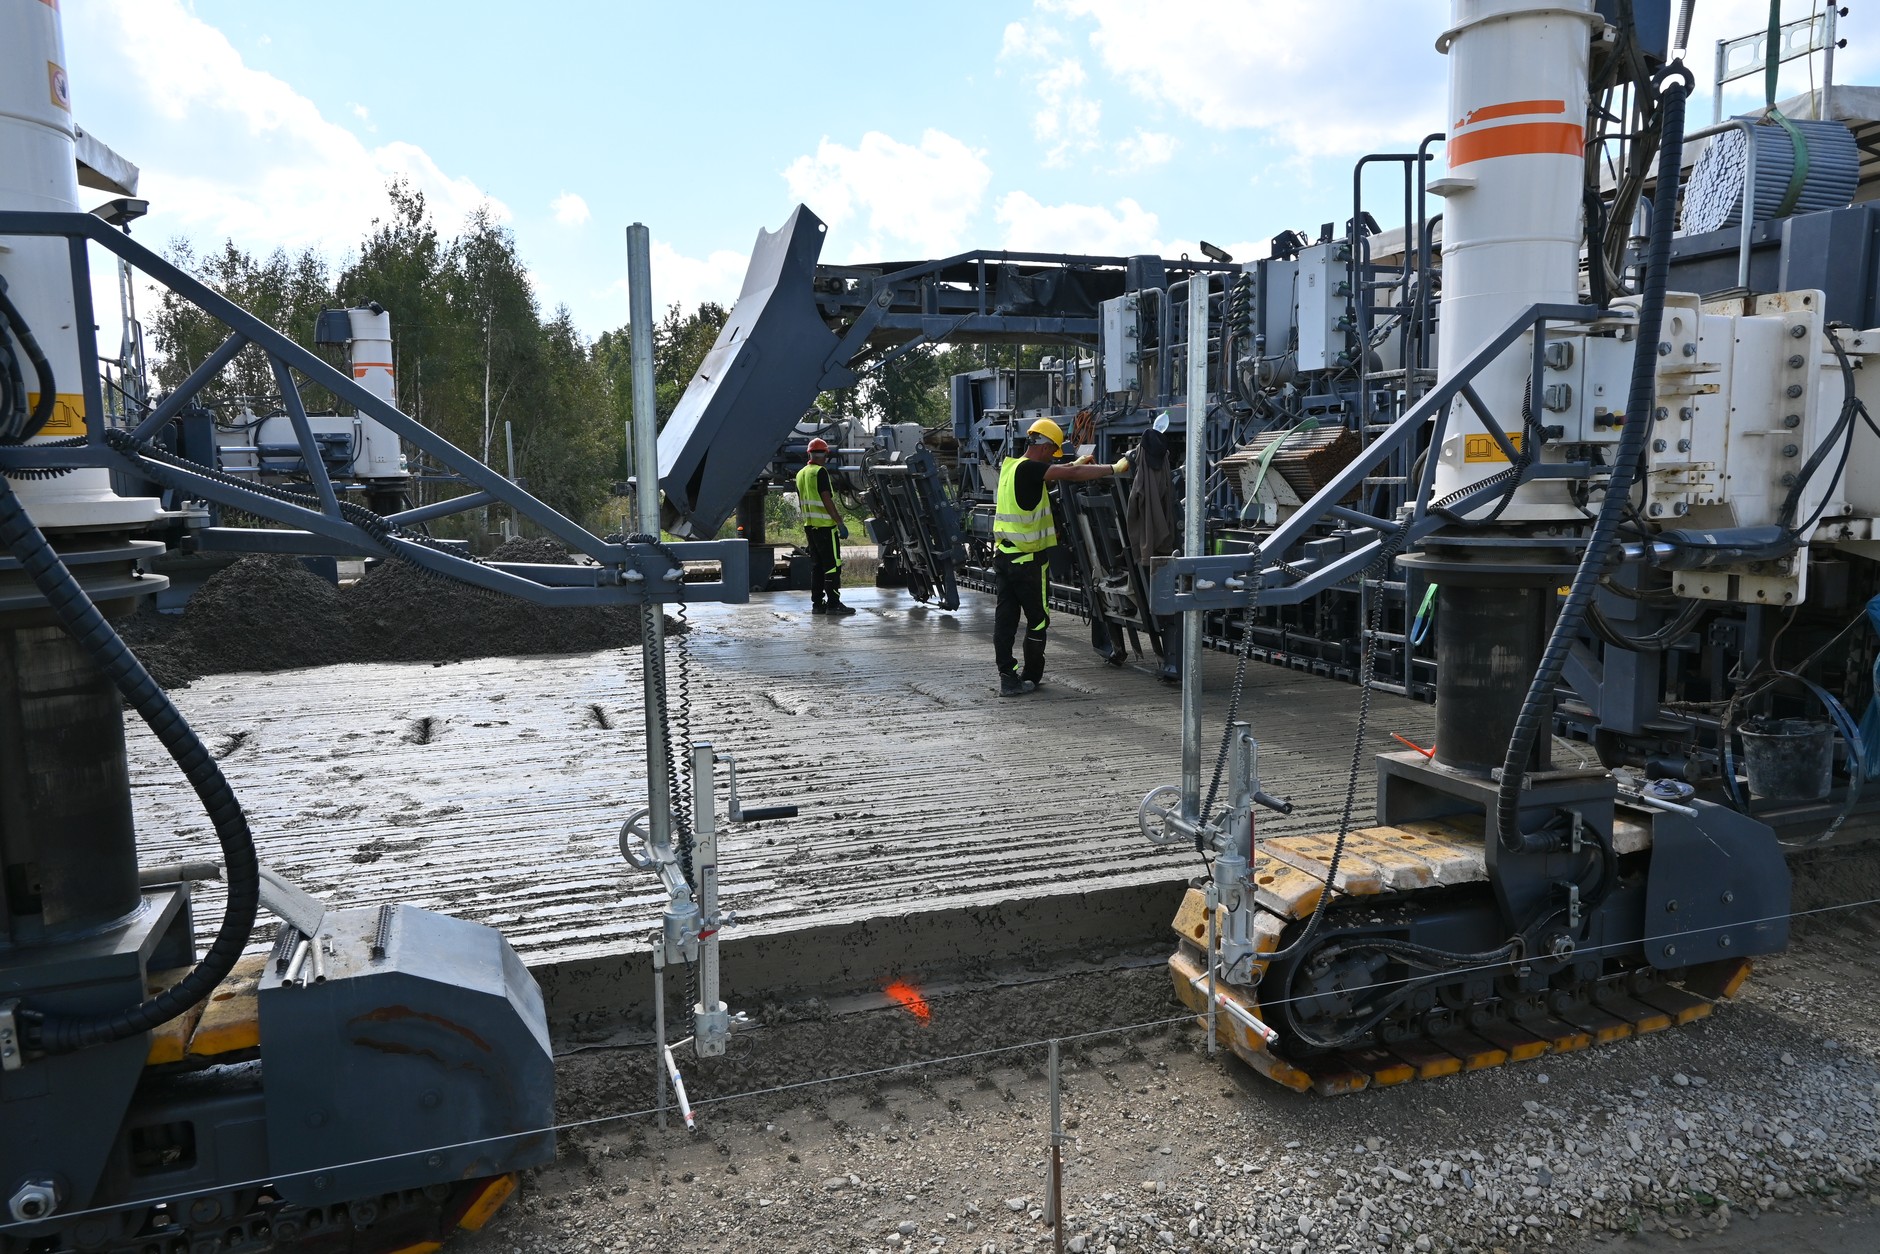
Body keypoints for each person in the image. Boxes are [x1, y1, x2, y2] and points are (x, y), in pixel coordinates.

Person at [993, 417, 1129, 696]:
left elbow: (1061, 470)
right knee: (1038, 620)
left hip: (1004, 557)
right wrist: (1113, 468)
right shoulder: (1032, 469)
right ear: (1044, 447)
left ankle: (1008, 677)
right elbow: (1068, 475)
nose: (1051, 457)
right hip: (1027, 563)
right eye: (1052, 451)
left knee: (1005, 619)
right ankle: (1031, 676)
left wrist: (1076, 463)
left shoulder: (1011, 466)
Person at [795, 437, 854, 615]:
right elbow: (826, 499)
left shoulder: (801, 473)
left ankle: (818, 604)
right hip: (825, 528)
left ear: (809, 453)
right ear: (825, 455)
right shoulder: (820, 472)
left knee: (817, 566)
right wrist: (839, 522)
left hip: (810, 527)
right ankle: (834, 604)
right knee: (832, 566)